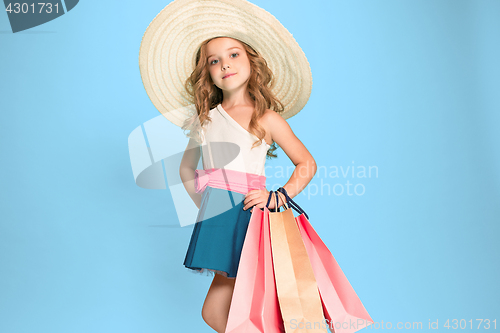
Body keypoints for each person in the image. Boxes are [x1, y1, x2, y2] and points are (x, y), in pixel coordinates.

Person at [139, 1, 315, 332]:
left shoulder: (266, 118)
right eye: (214, 60)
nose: (225, 64)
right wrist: (207, 208)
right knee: (220, 312)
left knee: (239, 306)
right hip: (219, 216)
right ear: (206, 72)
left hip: (250, 216)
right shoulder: (203, 119)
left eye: (234, 54)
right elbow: (186, 170)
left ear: (252, 61)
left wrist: (277, 197)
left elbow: (306, 163)